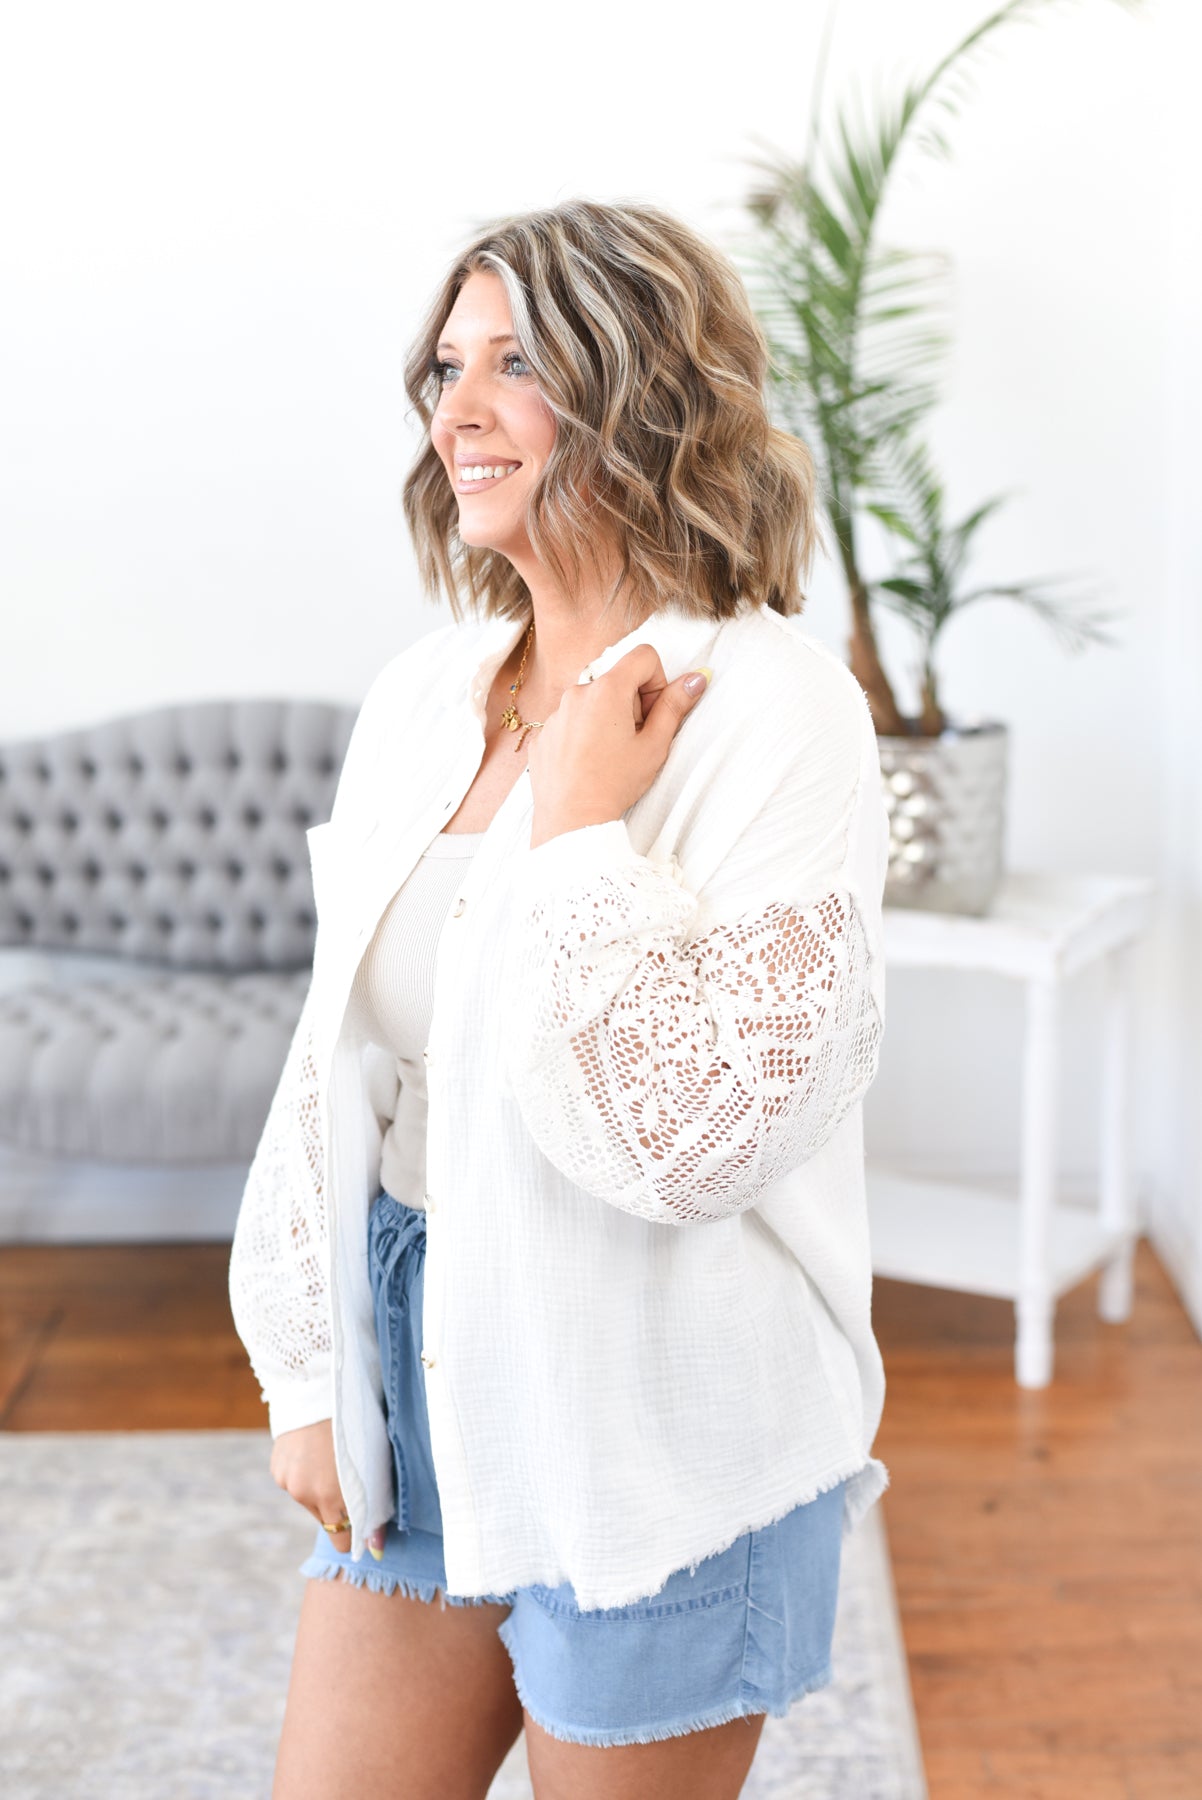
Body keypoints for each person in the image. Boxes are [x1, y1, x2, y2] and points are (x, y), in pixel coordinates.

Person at [229, 197, 892, 1800]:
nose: (455, 410)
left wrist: (582, 830)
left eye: (514, 364)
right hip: (419, 1365)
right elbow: (338, 1058)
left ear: (638, 393)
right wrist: (313, 1374)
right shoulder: (426, 694)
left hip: (654, 1421)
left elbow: (692, 1143)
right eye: (446, 367)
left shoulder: (775, 710)